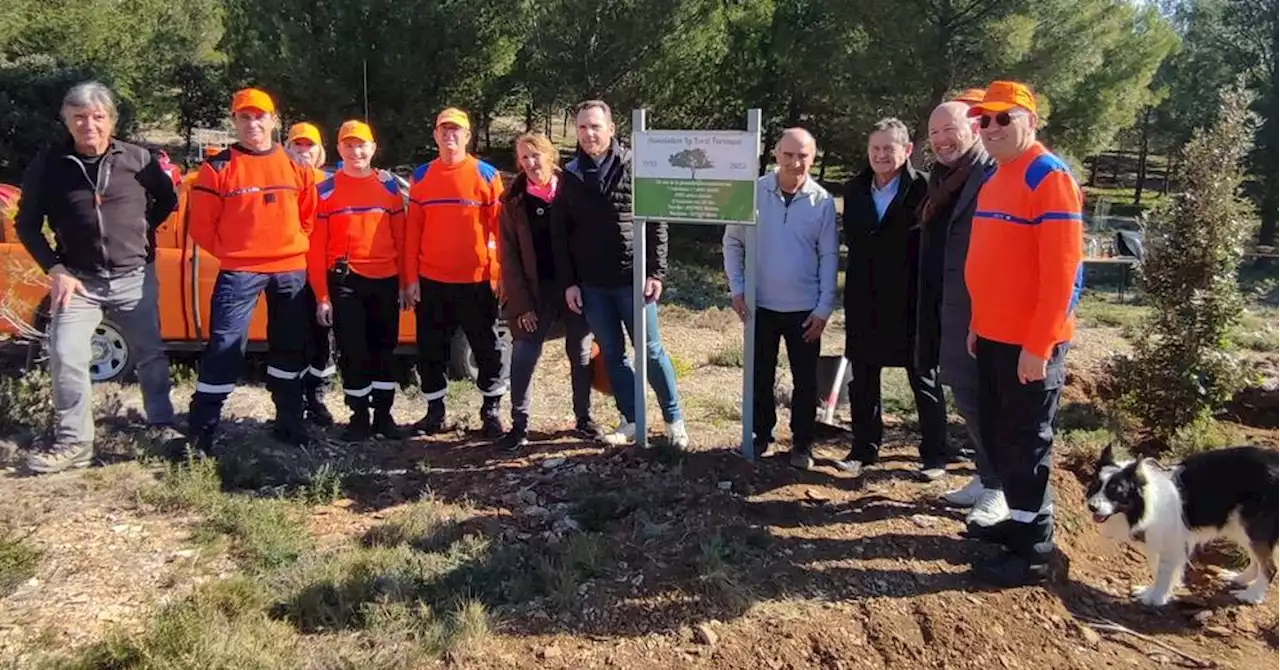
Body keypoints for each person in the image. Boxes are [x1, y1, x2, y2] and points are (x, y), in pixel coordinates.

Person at [15, 81, 179, 473]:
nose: (89, 124)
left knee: (151, 355)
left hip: (134, 276)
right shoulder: (49, 165)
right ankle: (74, 443)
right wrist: (55, 269)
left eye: (97, 117)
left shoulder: (138, 159)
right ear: (67, 121)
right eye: (80, 117)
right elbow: (27, 225)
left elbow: (168, 200)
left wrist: (139, 236)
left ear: (111, 121)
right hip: (78, 280)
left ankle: (162, 424)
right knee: (66, 354)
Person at [963, 81, 1083, 586]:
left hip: (1027, 347)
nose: (989, 128)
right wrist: (976, 323)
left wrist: (1039, 344)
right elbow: (991, 262)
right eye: (982, 120)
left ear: (1029, 121)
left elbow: (1062, 274)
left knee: (1026, 444)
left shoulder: (1046, 176)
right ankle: (1016, 525)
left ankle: (1032, 552)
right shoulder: (997, 177)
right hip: (991, 336)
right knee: (1000, 438)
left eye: (1001, 118)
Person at [186, 88, 318, 450]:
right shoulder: (217, 168)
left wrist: (290, 245)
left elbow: (308, 217)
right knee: (224, 347)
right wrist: (237, 253)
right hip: (239, 271)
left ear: (274, 120)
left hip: (290, 270)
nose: (252, 124)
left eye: (259, 116)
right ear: (234, 122)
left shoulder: (295, 166)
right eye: (244, 117)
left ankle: (289, 422)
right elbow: (201, 228)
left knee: (291, 346)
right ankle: (201, 432)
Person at [552, 99, 688, 448]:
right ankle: (631, 419)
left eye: (595, 126)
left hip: (634, 280)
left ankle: (674, 421)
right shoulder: (569, 175)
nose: (588, 133)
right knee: (612, 354)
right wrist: (569, 282)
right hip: (593, 286)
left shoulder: (636, 165)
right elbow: (560, 235)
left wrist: (656, 272)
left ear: (611, 129)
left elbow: (658, 221)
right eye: (582, 127)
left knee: (651, 351)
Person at [839, 118, 949, 480]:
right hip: (864, 298)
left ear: (907, 151)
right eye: (876, 149)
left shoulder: (926, 189)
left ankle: (934, 455)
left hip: (912, 301)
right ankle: (863, 448)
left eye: (889, 148)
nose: (882, 155)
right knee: (863, 379)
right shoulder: (854, 190)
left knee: (923, 378)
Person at [915, 101, 1008, 526]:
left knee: (987, 400)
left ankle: (1001, 489)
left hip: (982, 310)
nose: (941, 140)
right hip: (945, 304)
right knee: (966, 397)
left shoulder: (991, 174)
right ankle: (986, 474)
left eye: (949, 130)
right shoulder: (942, 178)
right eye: (934, 134)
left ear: (973, 128)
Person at [723, 128, 837, 469]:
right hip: (760, 307)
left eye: (802, 155)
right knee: (760, 374)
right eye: (788, 154)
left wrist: (824, 307)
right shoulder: (753, 193)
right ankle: (761, 436)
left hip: (805, 310)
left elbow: (830, 256)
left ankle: (802, 444)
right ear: (776, 154)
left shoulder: (823, 202)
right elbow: (732, 242)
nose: (795, 162)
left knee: (805, 381)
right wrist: (738, 287)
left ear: (812, 157)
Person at [403, 108, 508, 438]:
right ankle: (435, 412)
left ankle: (491, 410)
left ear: (467, 136)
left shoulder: (487, 175)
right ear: (435, 135)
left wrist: (502, 274)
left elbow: (501, 232)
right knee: (431, 349)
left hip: (476, 281)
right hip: (432, 282)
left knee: (487, 347)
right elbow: (412, 234)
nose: (449, 135)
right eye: (443, 130)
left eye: (456, 130)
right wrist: (409, 279)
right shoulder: (421, 177)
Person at [497, 132, 601, 451]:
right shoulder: (512, 202)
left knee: (580, 352)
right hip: (534, 292)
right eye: (524, 157)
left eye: (535, 155)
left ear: (550, 156)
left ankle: (584, 419)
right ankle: (519, 424)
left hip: (574, 289)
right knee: (525, 354)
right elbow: (509, 258)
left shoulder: (572, 191)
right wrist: (522, 305)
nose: (530, 163)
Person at [309, 120, 405, 441]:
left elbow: (402, 238)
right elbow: (316, 247)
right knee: (353, 351)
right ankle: (359, 417)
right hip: (346, 282)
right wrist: (322, 296)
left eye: (362, 145)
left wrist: (407, 282)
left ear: (373, 148)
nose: (356, 152)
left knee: (384, 349)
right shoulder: (324, 190)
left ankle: (384, 416)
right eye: (349, 146)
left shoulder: (389, 187)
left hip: (386, 279)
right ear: (339, 150)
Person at [286, 121, 337, 428]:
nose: (304, 151)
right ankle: (291, 402)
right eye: (297, 145)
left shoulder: (331, 184)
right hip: (287, 271)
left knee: (321, 338)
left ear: (321, 152)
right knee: (290, 338)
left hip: (323, 272)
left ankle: (317, 398)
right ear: (287, 149)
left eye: (310, 145)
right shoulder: (279, 182)